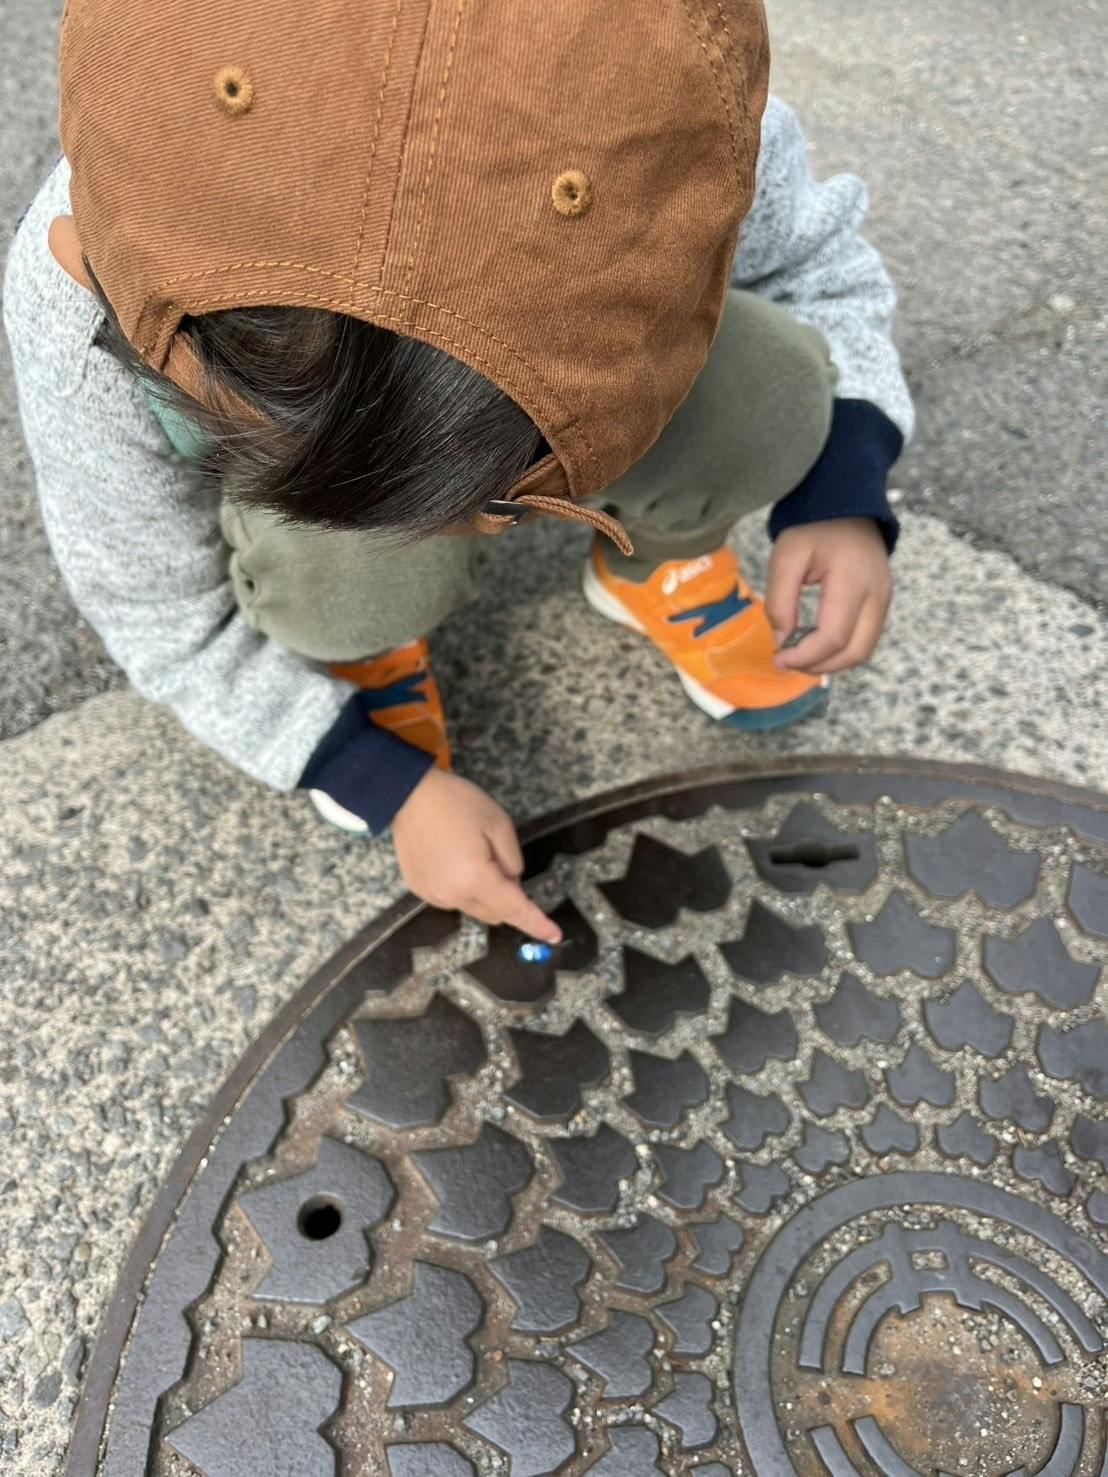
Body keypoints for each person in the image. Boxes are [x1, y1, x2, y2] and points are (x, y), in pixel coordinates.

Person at [4, 0, 912, 945]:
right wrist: (368, 772)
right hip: (312, 535)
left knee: (771, 392)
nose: (489, 521)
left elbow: (821, 267)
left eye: (506, 484)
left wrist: (844, 483)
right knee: (347, 569)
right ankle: (363, 636)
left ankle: (662, 556)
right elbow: (154, 606)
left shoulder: (665, 124)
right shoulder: (84, 288)